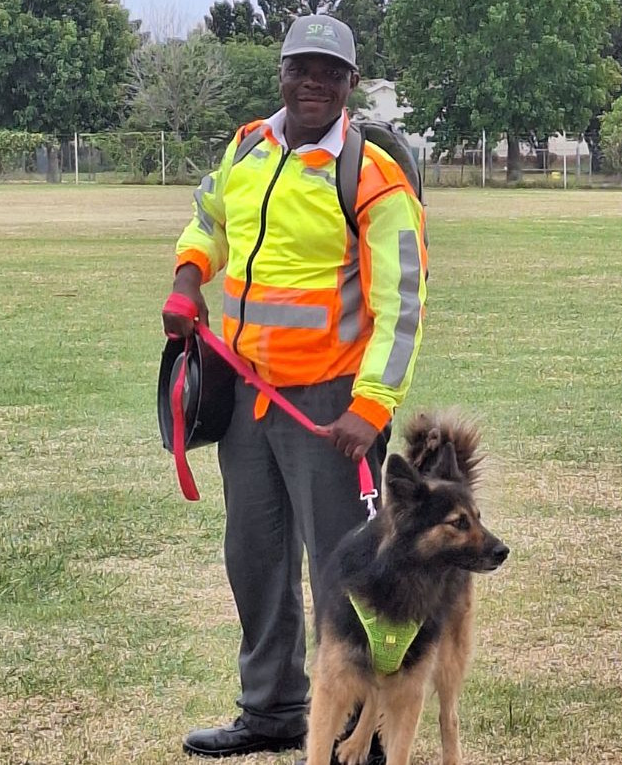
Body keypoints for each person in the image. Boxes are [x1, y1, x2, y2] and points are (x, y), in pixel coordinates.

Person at [161, 14, 427, 760]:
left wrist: (370, 407)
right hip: (247, 395)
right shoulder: (248, 146)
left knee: (344, 572)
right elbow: (209, 217)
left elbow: (402, 304)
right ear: (280, 73)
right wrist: (188, 278)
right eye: (300, 68)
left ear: (350, 83)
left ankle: (359, 728)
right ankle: (273, 707)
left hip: (330, 405)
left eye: (329, 73)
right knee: (255, 557)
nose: (313, 83)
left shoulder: (372, 174)